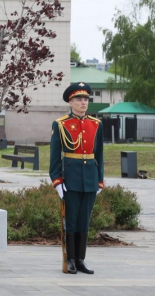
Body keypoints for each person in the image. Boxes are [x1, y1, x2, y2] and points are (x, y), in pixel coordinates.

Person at [50, 82, 104, 275]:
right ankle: (70, 259)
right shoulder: (60, 124)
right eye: (79, 99)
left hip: (89, 178)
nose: (83, 102)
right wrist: (57, 181)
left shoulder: (96, 124)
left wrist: (100, 180)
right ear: (71, 102)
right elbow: (55, 156)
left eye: (86, 99)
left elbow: (99, 155)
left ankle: (81, 259)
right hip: (70, 179)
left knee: (84, 222)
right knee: (71, 222)